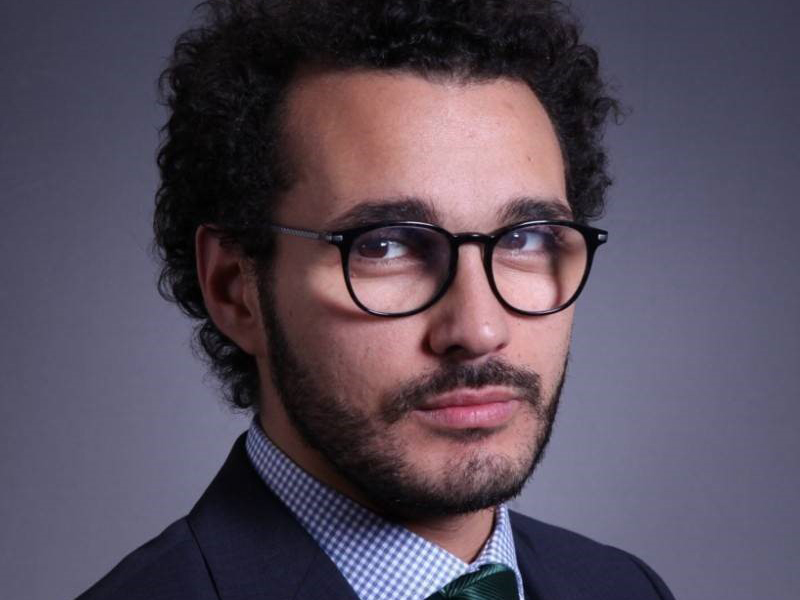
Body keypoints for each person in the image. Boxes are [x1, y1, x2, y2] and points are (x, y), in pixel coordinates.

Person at [78, 0, 676, 598]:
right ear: (236, 289)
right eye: (385, 246)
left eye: (526, 239)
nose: (479, 329)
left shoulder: (625, 587)